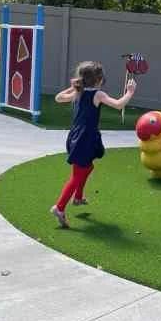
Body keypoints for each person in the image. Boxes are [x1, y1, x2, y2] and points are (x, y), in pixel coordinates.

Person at [51, 61, 136, 228]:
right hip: (85, 139)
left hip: (76, 137)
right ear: (98, 79)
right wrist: (130, 91)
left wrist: (73, 88)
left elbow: (58, 98)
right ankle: (59, 208)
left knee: (87, 168)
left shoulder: (78, 93)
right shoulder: (98, 94)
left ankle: (78, 197)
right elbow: (119, 105)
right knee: (77, 175)